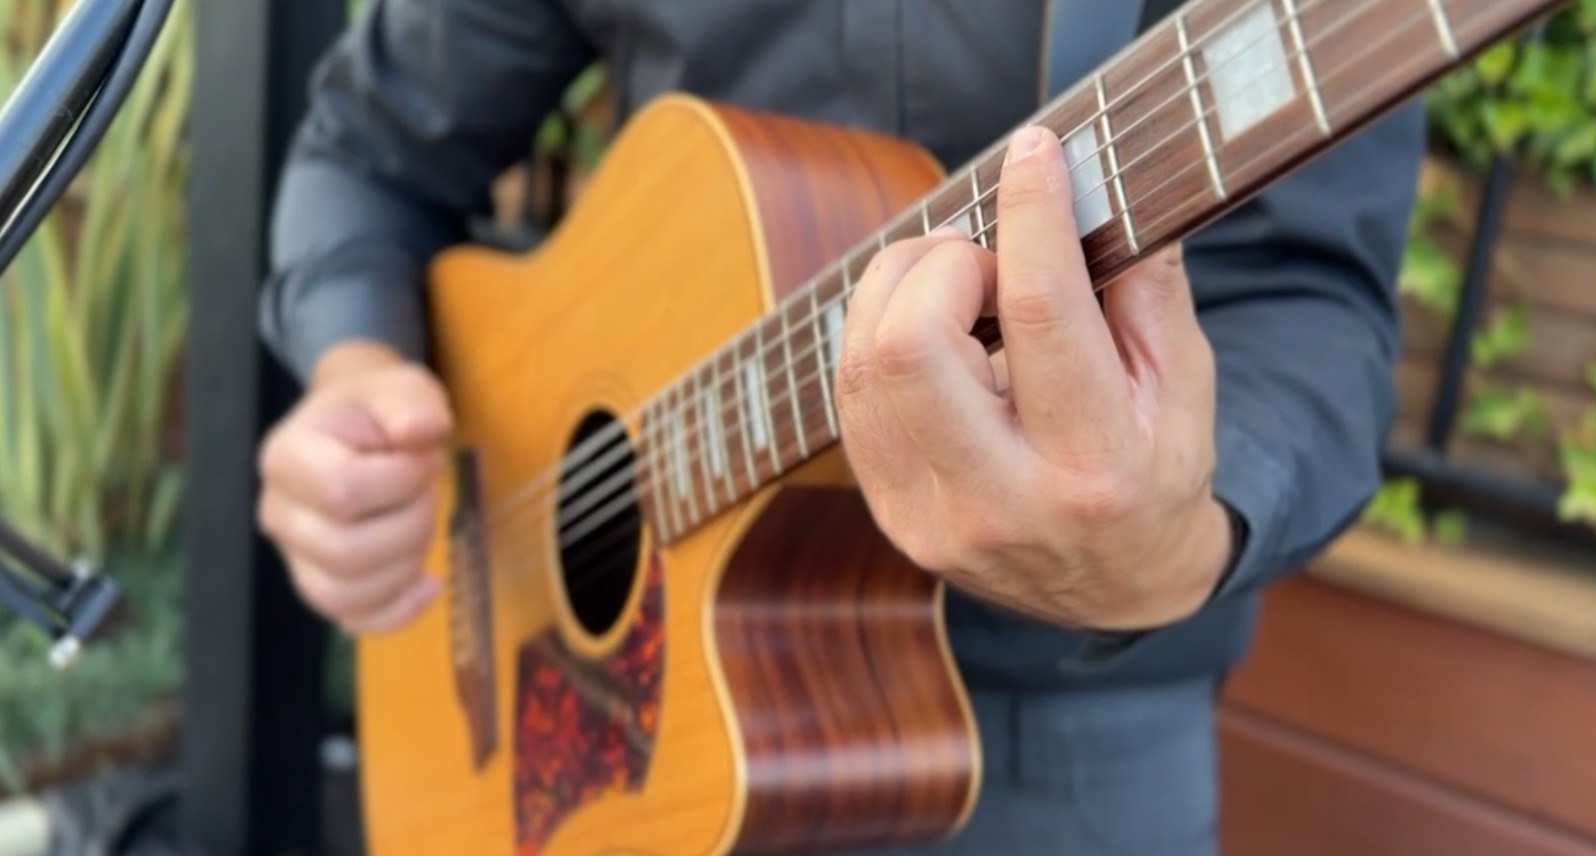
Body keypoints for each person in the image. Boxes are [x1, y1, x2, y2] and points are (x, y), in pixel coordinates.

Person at [254, 1, 1426, 853]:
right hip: (620, 743)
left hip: (1048, 733)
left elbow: (1312, 301)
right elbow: (366, 155)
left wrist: (1164, 548)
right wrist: (356, 369)